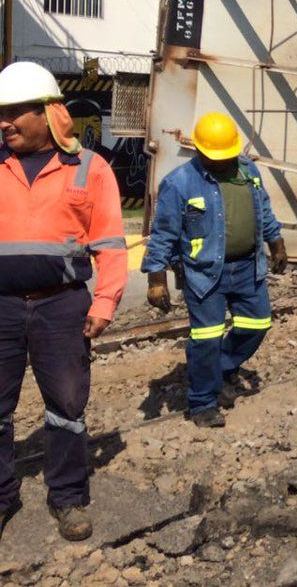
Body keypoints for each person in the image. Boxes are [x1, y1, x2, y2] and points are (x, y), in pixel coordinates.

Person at [0, 61, 127, 541]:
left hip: (61, 306)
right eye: (0, 114)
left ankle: (68, 497)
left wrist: (104, 304)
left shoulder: (90, 169)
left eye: (14, 113)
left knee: (66, 407)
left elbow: (111, 244)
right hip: (1, 306)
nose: (4, 123)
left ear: (50, 114)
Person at [142, 113, 288, 427]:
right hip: (205, 273)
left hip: (248, 268)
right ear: (199, 151)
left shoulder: (248, 170)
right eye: (215, 157)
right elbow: (163, 232)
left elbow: (262, 209)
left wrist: (276, 242)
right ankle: (203, 403)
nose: (223, 162)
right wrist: (157, 279)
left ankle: (219, 369)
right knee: (206, 338)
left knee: (258, 324)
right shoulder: (180, 183)